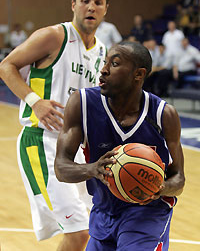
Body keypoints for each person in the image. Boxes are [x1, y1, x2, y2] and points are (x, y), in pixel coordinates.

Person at [0, 0, 111, 250]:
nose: (91, 7)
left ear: (106, 8)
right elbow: (7, 66)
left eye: (98, 2)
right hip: (43, 143)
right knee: (78, 232)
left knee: (98, 224)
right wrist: (34, 102)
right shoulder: (54, 36)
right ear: (74, 4)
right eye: (85, 1)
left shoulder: (103, 50)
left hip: (81, 151)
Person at [54, 41, 185, 250]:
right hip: (103, 212)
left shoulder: (163, 114)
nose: (103, 70)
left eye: (114, 64)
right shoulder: (82, 103)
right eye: (105, 62)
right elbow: (61, 168)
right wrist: (93, 169)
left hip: (147, 214)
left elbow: (179, 178)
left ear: (138, 74)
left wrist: (160, 188)